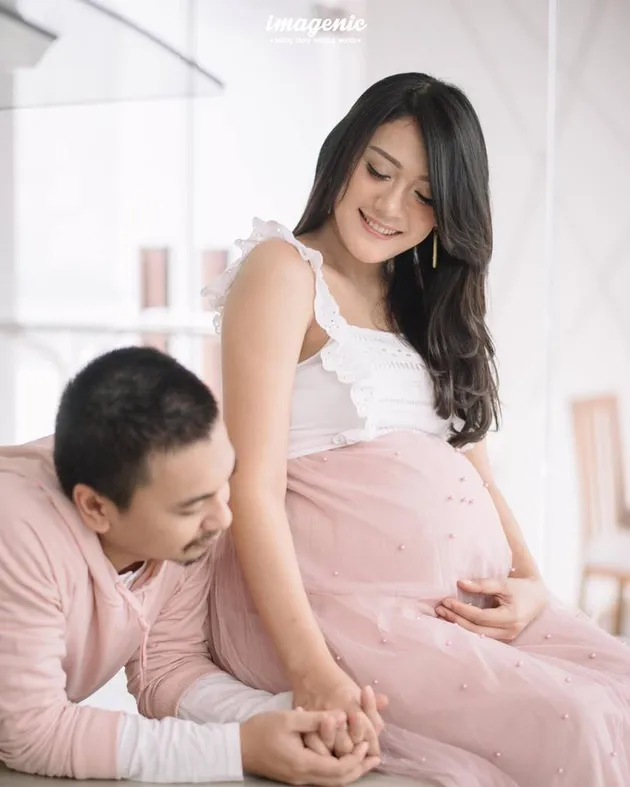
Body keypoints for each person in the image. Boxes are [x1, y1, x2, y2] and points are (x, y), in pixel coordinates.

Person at [192, 72, 630, 786]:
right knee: (575, 721)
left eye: (425, 195)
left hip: (463, 610)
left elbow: (477, 474)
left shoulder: (424, 300)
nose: (390, 205)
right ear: (344, 153)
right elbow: (254, 488)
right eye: (378, 170)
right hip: (340, 612)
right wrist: (312, 671)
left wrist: (532, 583)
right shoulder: (283, 272)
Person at [0, 346, 384, 784]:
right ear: (95, 507)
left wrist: (302, 718)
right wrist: (238, 750)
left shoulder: (180, 521)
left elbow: (167, 666)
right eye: (192, 506)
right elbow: (31, 733)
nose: (224, 519)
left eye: (224, 483)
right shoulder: (17, 533)